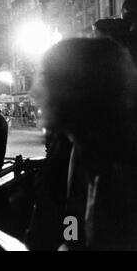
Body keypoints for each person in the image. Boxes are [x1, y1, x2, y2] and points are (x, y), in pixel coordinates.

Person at [33, 38, 137, 250]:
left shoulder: (125, 172)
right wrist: (70, 244)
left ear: (75, 85)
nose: (33, 92)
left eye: (44, 77)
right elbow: (74, 217)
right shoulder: (82, 150)